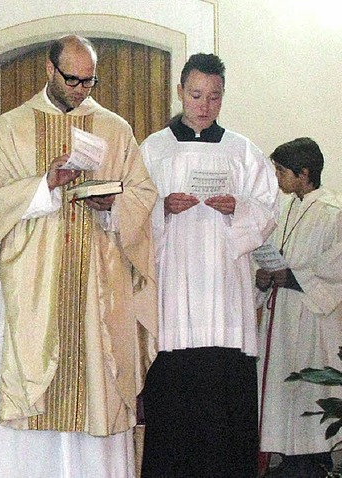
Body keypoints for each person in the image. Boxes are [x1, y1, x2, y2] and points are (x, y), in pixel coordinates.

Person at [0, 35, 158, 477]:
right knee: (30, 400)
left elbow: (143, 193)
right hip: (32, 296)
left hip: (98, 293)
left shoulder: (115, 128)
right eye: (71, 79)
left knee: (98, 393)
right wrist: (44, 185)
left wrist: (114, 204)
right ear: (49, 71)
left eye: (89, 81)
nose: (80, 89)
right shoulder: (10, 128)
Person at [139, 53, 278, 478]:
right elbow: (129, 214)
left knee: (225, 422)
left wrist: (239, 208)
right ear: (180, 92)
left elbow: (268, 211)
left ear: (223, 97)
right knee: (174, 425)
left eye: (214, 97)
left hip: (225, 304)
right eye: (196, 95)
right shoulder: (154, 148)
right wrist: (160, 209)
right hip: (174, 301)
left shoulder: (242, 150)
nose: (204, 105)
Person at [256, 138, 342, 477]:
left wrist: (291, 277)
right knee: (281, 382)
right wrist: (263, 277)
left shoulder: (333, 212)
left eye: (281, 171)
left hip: (313, 318)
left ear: (304, 173)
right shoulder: (286, 207)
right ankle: (288, 457)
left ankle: (315, 458)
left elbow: (336, 268)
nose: (277, 178)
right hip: (283, 315)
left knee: (309, 384)